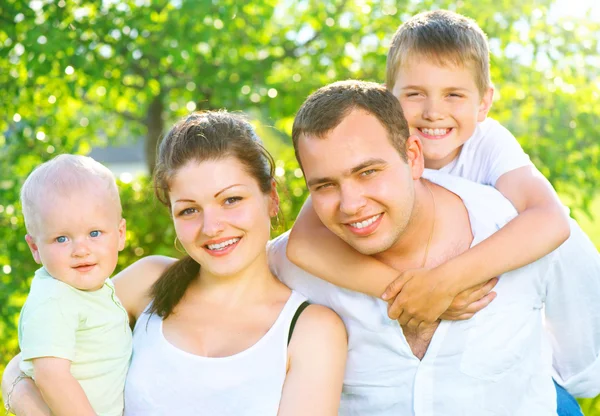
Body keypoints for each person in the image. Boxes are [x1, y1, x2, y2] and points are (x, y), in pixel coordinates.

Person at [268, 80, 600, 415]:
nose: (351, 205)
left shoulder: (521, 230)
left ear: (413, 156)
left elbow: (587, 364)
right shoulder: (285, 272)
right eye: (325, 185)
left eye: (368, 172)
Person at [2, 111, 347, 416]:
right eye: (189, 210)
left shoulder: (310, 330)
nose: (212, 227)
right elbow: (24, 365)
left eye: (231, 199)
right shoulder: (148, 282)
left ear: (271, 197)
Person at [287, 9, 574, 327]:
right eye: (414, 94)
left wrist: (446, 282)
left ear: (483, 103)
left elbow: (552, 220)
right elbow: (303, 244)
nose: (433, 112)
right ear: (389, 97)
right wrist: (410, 292)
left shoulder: (488, 142)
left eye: (453, 95)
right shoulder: (373, 153)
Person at [11, 154, 131, 416]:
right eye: (62, 238)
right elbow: (51, 378)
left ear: (120, 234)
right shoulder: (54, 299)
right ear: (35, 248)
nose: (81, 250)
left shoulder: (94, 288)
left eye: (94, 233)